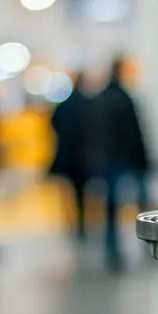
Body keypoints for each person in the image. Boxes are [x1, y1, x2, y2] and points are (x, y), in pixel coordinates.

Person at [91, 57, 150, 270]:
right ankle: (146, 243)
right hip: (126, 158)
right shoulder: (124, 98)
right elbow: (134, 132)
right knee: (140, 203)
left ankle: (112, 248)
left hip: (107, 159)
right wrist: (143, 159)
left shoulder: (100, 99)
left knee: (111, 207)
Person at [48, 72, 92, 239]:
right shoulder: (86, 104)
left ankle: (71, 221)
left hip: (67, 154)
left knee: (68, 191)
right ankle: (80, 223)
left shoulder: (65, 104)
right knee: (80, 191)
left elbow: (53, 123)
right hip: (82, 155)